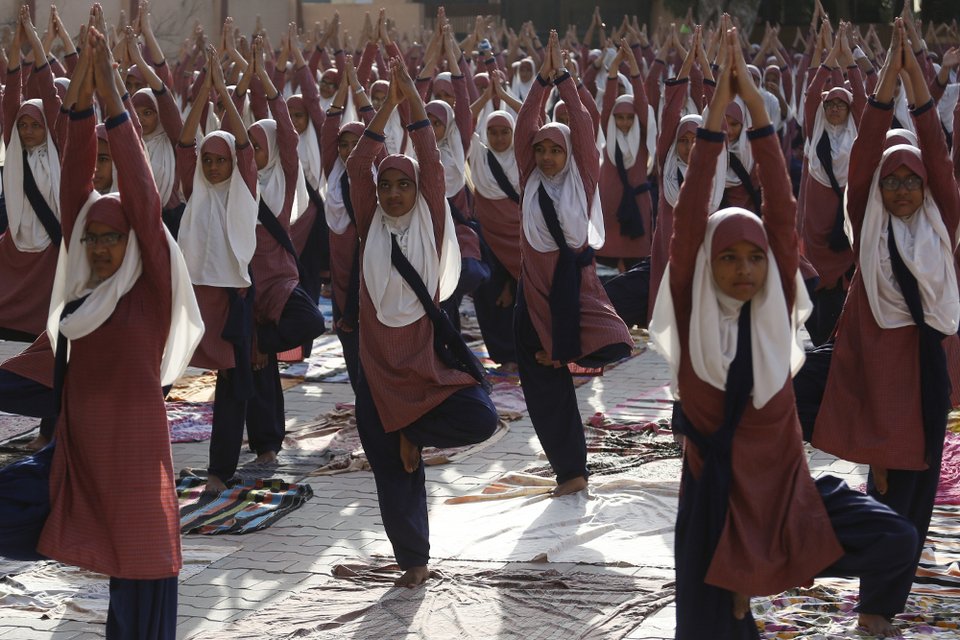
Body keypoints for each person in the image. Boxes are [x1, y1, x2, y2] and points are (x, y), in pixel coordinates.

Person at [650, 24, 917, 639]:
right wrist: (720, 108)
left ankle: (776, 561)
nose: (744, 269)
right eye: (729, 258)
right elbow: (691, 214)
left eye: (754, 257)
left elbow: (782, 206)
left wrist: (761, 119)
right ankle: (746, 577)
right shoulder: (694, 317)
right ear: (706, 266)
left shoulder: (777, 307)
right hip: (716, 504)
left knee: (895, 538)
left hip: (785, 492)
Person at [36, 27, 202, 638]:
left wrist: (111, 99)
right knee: (107, 554)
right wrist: (77, 103)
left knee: (143, 555)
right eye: (93, 238)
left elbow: (141, 193)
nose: (102, 247)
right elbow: (74, 185)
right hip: (82, 443)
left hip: (133, 445)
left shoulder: (149, 283)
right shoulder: (80, 290)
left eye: (113, 237)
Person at [812, 21, 960, 635]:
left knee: (917, 489)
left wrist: (921, 93)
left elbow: (940, 158)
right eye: (891, 180)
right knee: (884, 482)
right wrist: (882, 91)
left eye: (911, 180)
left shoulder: (942, 224)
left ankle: (880, 608)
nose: (899, 189)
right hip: (875, 373)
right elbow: (864, 159)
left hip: (925, 378)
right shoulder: (866, 218)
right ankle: (872, 594)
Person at [346, 57, 497, 588]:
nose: (392, 194)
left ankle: (414, 429)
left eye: (400, 187)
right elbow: (356, 166)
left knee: (481, 417)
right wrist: (384, 104)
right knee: (393, 473)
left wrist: (411, 97)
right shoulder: (370, 222)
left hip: (424, 371)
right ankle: (413, 561)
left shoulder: (431, 224)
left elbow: (431, 166)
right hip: (377, 375)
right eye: (385, 185)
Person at [513, 31, 633, 496]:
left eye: (554, 150)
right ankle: (570, 471)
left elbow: (582, 124)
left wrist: (563, 78)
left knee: (609, 343)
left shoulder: (582, 175)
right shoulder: (528, 176)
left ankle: (566, 349)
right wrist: (540, 83)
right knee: (543, 388)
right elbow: (527, 125)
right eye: (541, 150)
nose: (545, 156)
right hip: (534, 291)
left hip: (575, 285)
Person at [177, 45, 260, 493]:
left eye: (220, 159)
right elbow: (185, 142)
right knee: (168, 370)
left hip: (230, 298)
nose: (212, 166)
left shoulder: (244, 186)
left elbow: (245, 143)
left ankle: (219, 470)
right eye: (208, 160)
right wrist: (201, 92)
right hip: (193, 293)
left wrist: (223, 96)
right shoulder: (197, 187)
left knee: (231, 382)